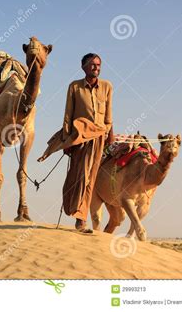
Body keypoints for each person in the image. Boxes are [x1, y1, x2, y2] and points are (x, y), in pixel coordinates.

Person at [61, 53, 114, 231]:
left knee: (91, 178)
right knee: (79, 176)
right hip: (80, 137)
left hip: (99, 136)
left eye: (98, 65)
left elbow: (109, 114)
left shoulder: (107, 87)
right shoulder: (74, 87)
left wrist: (110, 135)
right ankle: (75, 211)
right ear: (83, 67)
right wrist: (66, 140)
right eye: (92, 65)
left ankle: (81, 219)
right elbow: (68, 114)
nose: (96, 68)